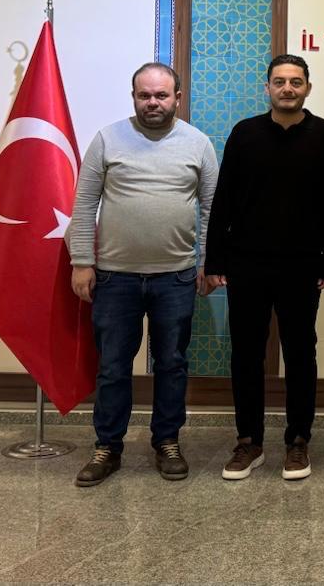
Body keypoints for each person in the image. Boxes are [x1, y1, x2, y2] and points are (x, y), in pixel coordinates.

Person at [67, 62, 219, 487]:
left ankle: (167, 441)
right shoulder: (107, 139)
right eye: (144, 95)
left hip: (176, 278)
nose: (153, 102)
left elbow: (212, 208)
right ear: (133, 97)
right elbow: (84, 204)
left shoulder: (198, 144)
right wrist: (82, 261)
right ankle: (107, 446)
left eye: (161, 95)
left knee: (172, 364)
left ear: (177, 99)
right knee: (113, 367)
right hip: (115, 278)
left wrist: (208, 262)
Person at [203, 54, 324, 481]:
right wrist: (215, 259)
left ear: (308, 88)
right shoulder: (245, 133)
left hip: (303, 266)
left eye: (296, 82)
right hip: (246, 263)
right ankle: (249, 441)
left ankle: (298, 440)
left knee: (301, 353)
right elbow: (223, 200)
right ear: (267, 88)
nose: (288, 88)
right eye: (280, 81)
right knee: (246, 354)